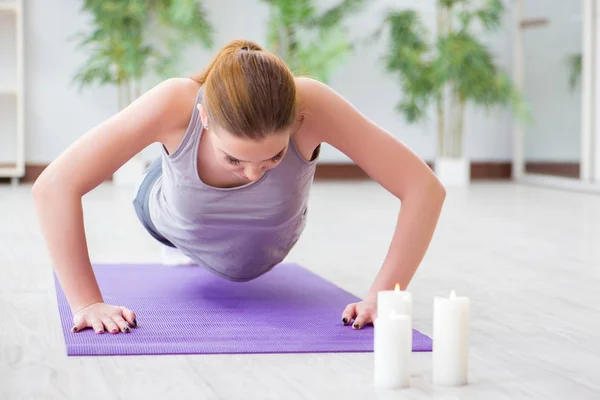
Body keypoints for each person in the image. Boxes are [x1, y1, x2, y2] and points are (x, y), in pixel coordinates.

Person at [32, 39, 446, 335]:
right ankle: (172, 187)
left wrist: (384, 295)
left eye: (273, 159)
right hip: (168, 216)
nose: (253, 176)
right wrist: (86, 303)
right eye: (235, 160)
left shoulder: (311, 106)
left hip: (268, 243)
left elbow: (424, 189)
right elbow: (54, 186)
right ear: (205, 118)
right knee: (164, 188)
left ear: (297, 123)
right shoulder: (178, 101)